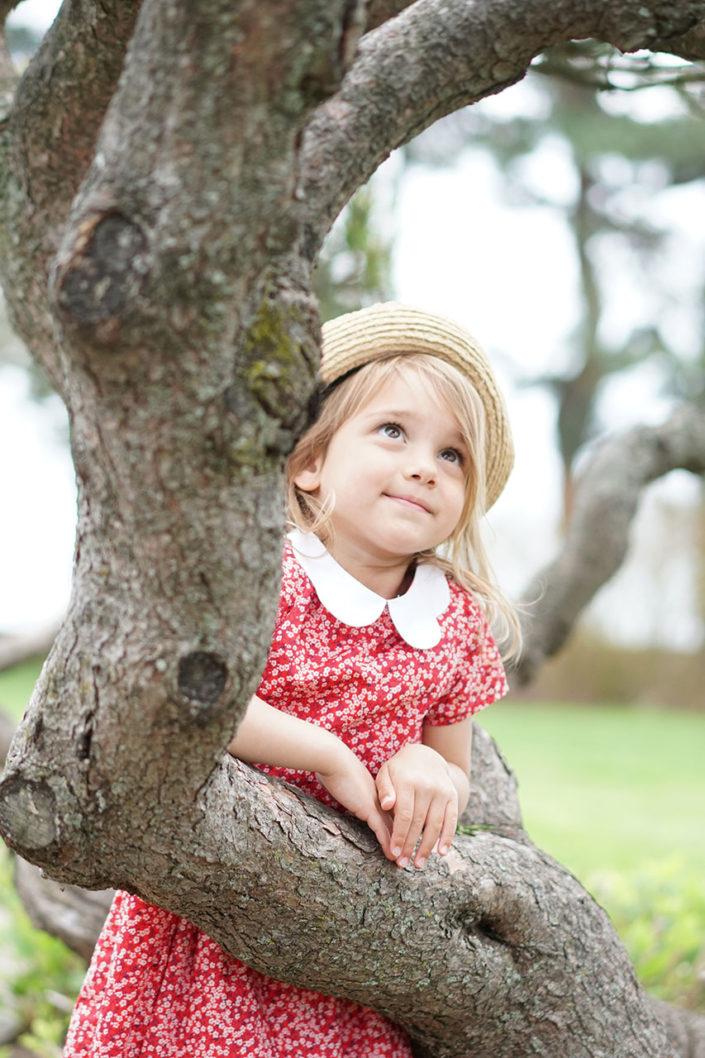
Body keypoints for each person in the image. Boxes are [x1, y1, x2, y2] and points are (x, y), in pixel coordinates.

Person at [63, 302, 519, 1058]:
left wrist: (421, 765)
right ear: (310, 462)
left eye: (453, 456)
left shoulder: (452, 617)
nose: (422, 466)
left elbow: (454, 769)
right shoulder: (267, 575)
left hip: (350, 930)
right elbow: (194, 704)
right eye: (393, 432)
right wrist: (332, 756)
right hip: (212, 916)